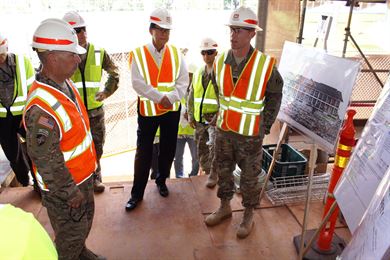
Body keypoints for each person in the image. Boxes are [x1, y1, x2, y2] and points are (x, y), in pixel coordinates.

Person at [24, 18, 105, 259]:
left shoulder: (64, 83)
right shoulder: (41, 109)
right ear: (51, 58)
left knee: (82, 225)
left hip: (82, 177)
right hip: (66, 187)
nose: (78, 59)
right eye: (72, 54)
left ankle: (82, 251)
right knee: (69, 236)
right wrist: (70, 192)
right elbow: (47, 161)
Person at [204, 6, 284, 239]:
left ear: (252, 34)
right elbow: (221, 94)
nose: (233, 35)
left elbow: (275, 96)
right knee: (224, 172)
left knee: (250, 178)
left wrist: (264, 126)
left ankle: (248, 214)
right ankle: (225, 207)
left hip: (250, 135)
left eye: (239, 31)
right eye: (232, 30)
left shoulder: (265, 65)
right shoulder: (219, 62)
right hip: (225, 131)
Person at [126, 7, 189, 211]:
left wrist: (170, 98)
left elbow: (183, 81)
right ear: (151, 30)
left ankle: (162, 181)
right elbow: (138, 83)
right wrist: (159, 98)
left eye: (167, 30)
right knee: (143, 152)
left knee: (168, 149)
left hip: (171, 110)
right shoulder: (139, 54)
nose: (165, 34)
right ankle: (137, 193)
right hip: (149, 112)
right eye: (161, 29)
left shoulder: (177, 54)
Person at [63, 11, 120, 193]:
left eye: (81, 30)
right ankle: (79, 181)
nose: (79, 35)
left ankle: (95, 178)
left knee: (97, 146)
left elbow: (114, 72)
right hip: (72, 113)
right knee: (75, 150)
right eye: (73, 31)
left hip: (95, 112)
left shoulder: (98, 52)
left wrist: (106, 92)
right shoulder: (61, 56)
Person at [0, 33, 34, 187]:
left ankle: (40, 184)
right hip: (2, 119)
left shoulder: (22, 62)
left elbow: (33, 91)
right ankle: (24, 181)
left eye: (1, 55)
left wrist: (28, 112)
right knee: (13, 155)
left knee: (35, 149)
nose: (0, 59)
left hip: (23, 115)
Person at [188, 37, 219, 188]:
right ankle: (206, 173)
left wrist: (219, 115)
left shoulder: (221, 73)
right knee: (201, 150)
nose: (206, 56)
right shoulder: (199, 72)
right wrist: (190, 115)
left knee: (214, 149)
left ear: (216, 53)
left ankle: (213, 176)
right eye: (204, 53)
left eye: (210, 52)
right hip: (200, 121)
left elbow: (226, 97)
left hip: (214, 121)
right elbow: (192, 94)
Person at [174, 95, 199, 178]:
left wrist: (191, 116)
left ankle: (193, 175)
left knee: (195, 156)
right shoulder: (177, 95)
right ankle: (179, 175)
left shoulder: (194, 96)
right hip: (179, 133)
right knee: (178, 156)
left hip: (192, 132)